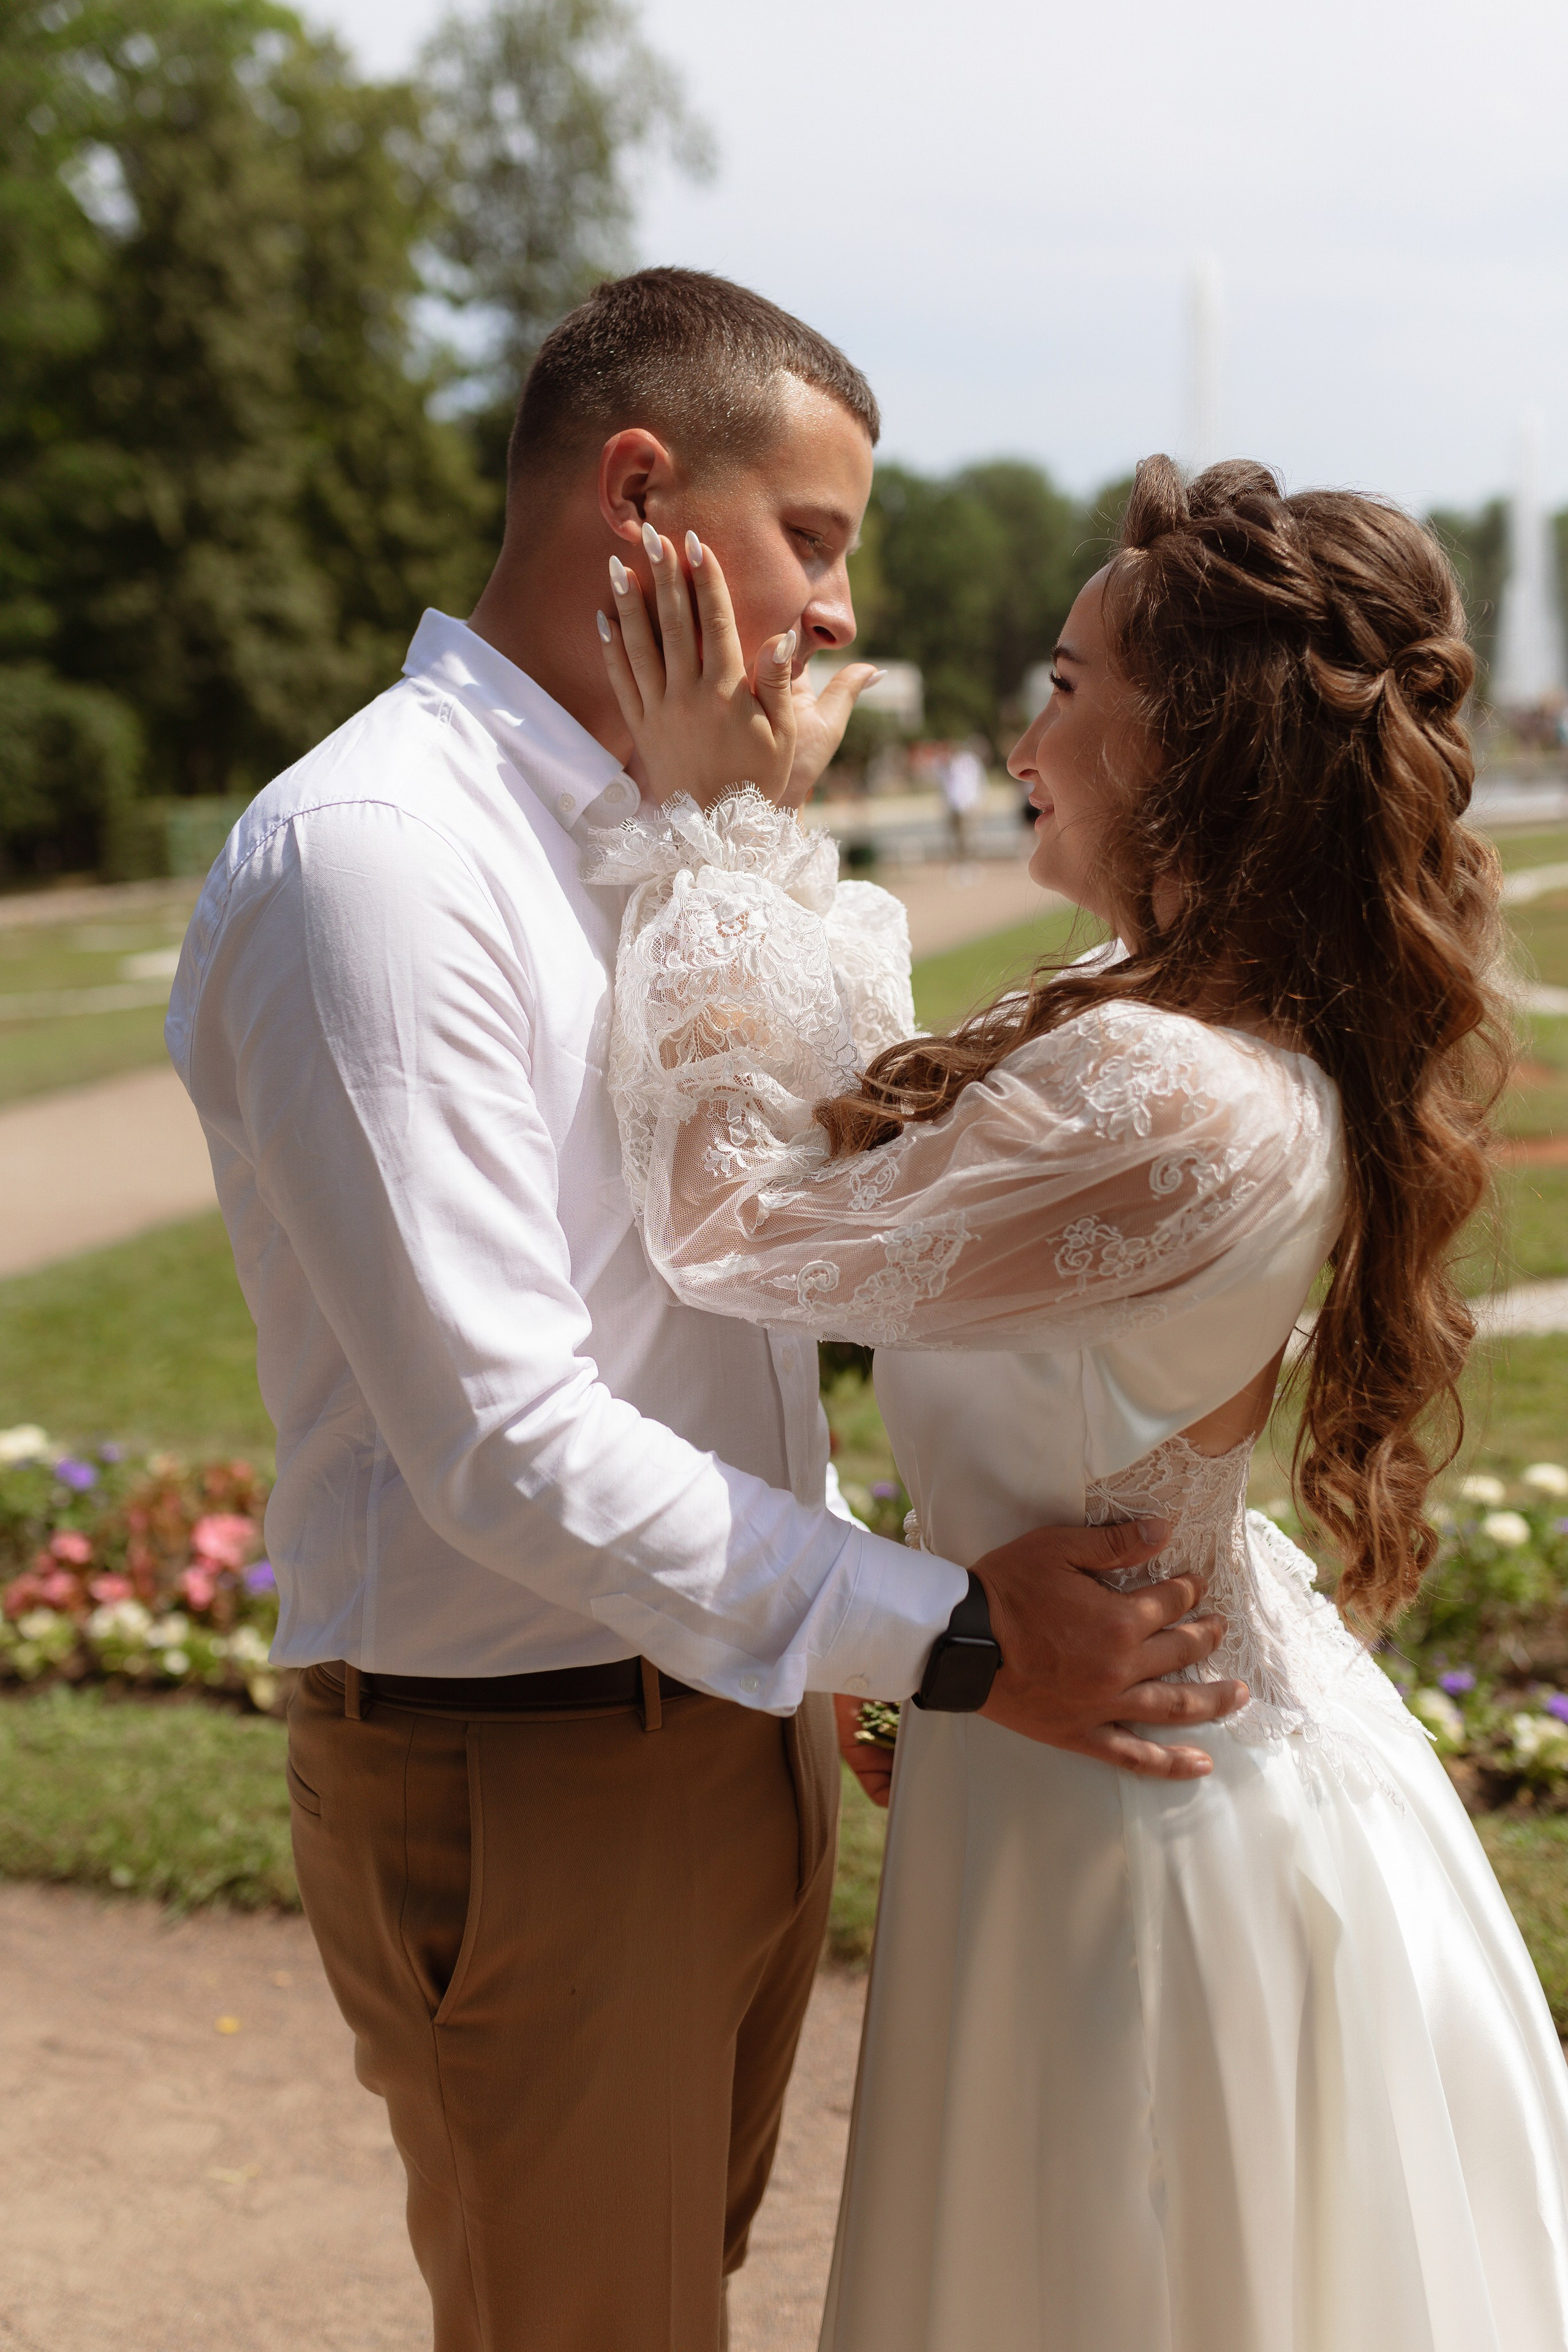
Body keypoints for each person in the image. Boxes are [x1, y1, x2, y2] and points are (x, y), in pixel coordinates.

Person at [165, 275, 1248, 2352]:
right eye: (816, 539)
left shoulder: (640, 829)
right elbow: (506, 1441)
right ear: (641, 493)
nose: (841, 613)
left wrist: (734, 828)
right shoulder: (381, 859)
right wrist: (950, 1637)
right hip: (539, 1763)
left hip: (717, 1733)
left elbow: (822, 1215)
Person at [592, 454, 1568, 2349]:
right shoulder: (1169, 1013)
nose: (1027, 731)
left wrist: (710, 820)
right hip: (1085, 1724)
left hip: (1135, 1831)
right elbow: (870, 1145)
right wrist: (935, 1605)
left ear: (1188, 741)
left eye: (1061, 685)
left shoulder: (1172, 1084)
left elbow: (737, 1222)